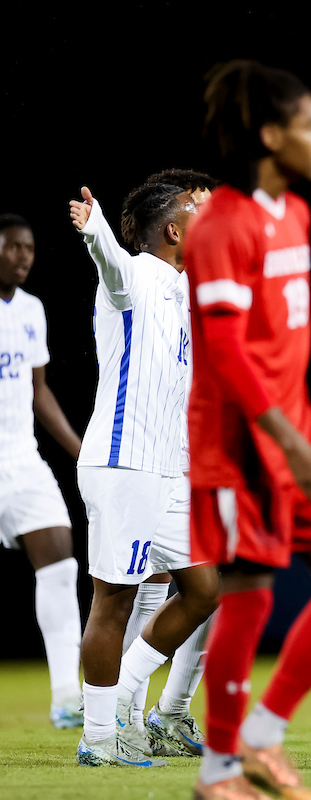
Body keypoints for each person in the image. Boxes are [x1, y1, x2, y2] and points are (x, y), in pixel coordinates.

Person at [184, 60, 311, 800]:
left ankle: (263, 738)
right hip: (241, 444)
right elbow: (229, 353)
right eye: (310, 125)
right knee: (251, 594)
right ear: (270, 135)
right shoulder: (221, 225)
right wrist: (288, 443)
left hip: (295, 429)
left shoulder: (292, 213)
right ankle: (219, 771)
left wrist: (303, 434)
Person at [68, 174, 221, 768]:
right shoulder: (135, 276)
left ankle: (127, 700)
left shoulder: (186, 292)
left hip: (169, 471)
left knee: (204, 588)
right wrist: (96, 228)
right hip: (123, 463)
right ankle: (101, 738)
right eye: (198, 208)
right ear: (175, 230)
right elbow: (110, 262)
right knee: (114, 600)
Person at [0, 213, 85, 729]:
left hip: (22, 458)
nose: (23, 255)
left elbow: (39, 391)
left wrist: (80, 451)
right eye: (11, 247)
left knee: (59, 564)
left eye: (28, 248)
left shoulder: (32, 310)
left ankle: (66, 698)